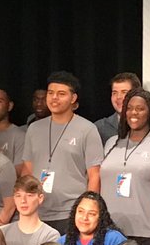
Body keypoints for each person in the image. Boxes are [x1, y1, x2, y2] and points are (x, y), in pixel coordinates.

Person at [19, 70, 104, 235]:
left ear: (73, 98)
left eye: (61, 93)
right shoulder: (34, 129)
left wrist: (88, 209)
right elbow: (27, 170)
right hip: (38, 211)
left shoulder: (87, 129)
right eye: (51, 93)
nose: (54, 98)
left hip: (70, 213)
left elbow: (95, 175)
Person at [99, 87, 150, 245]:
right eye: (129, 108)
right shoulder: (111, 143)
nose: (133, 113)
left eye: (140, 108)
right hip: (109, 230)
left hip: (146, 232)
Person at [1, 175, 61, 245]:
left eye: (29, 195)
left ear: (40, 198)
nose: (23, 201)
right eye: (18, 195)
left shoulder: (50, 235)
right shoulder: (2, 232)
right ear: (14, 199)